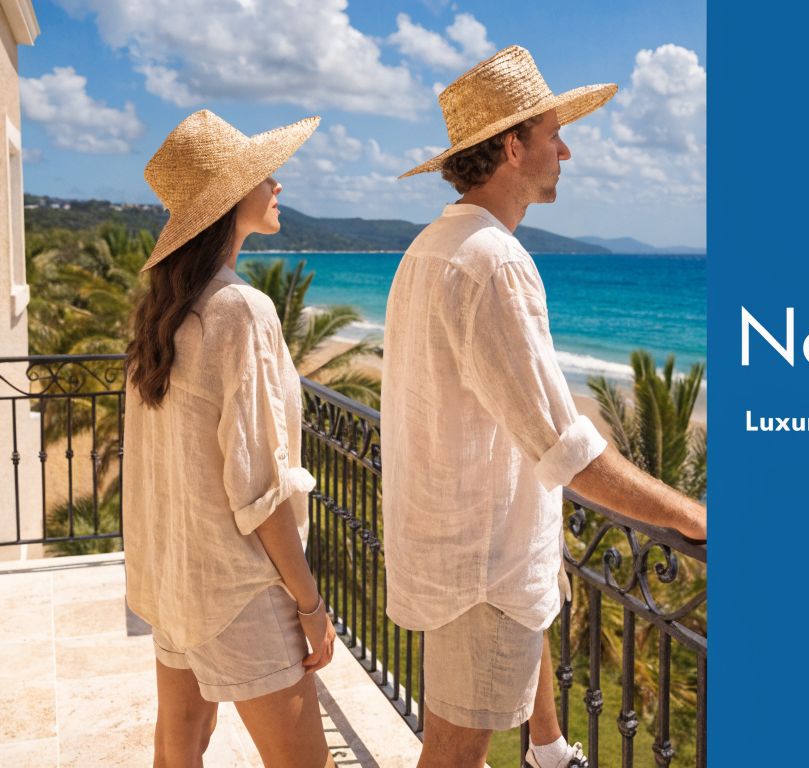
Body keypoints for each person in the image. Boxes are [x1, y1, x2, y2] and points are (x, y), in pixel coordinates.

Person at [383, 46, 708, 768]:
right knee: (452, 759)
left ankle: (550, 751)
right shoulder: (495, 262)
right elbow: (568, 450)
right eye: (554, 134)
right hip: (483, 572)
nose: (566, 151)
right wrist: (693, 516)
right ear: (511, 146)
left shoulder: (431, 248)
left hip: (448, 550)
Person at [123, 109, 338, 768]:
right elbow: (261, 489)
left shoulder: (164, 312)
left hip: (179, 578)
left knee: (179, 751)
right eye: (262, 174)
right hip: (239, 590)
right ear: (229, 198)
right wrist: (310, 605)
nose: (277, 184)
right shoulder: (240, 309)